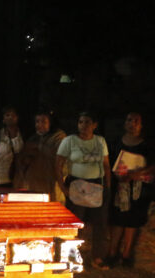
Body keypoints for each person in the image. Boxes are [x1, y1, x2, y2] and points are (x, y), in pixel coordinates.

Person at [56, 111, 111, 268]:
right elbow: (58, 164)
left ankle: (98, 258)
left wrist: (108, 187)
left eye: (87, 122)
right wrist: (63, 187)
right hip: (76, 184)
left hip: (96, 185)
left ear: (94, 125)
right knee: (75, 222)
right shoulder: (70, 141)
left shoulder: (100, 141)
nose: (83, 125)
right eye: (81, 122)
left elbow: (106, 165)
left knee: (100, 222)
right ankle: (71, 257)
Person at [103, 111, 154, 268]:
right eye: (129, 120)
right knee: (117, 220)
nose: (132, 123)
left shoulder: (147, 145)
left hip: (138, 190)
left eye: (136, 121)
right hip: (119, 188)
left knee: (132, 222)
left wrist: (137, 174)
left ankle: (126, 256)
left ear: (141, 125)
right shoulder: (116, 143)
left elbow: (152, 166)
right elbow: (109, 163)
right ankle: (112, 253)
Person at [13, 110, 66, 202]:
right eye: (37, 121)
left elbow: (60, 159)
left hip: (48, 182)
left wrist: (39, 148)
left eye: (43, 122)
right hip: (29, 182)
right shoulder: (32, 138)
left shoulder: (58, 137)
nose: (39, 124)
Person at [0, 106, 24, 187]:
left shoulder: (23, 135)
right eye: (7, 115)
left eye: (13, 115)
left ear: (17, 118)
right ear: (3, 119)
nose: (10, 117)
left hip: (18, 178)